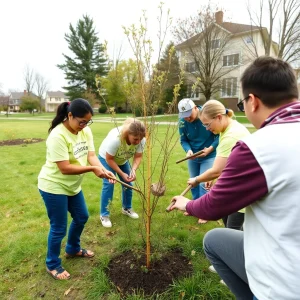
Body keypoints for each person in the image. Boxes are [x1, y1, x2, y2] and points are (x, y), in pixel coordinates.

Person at [170, 56, 300, 299]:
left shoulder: (257, 147)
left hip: (284, 283)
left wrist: (186, 203)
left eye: (241, 103)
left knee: (213, 240)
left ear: (252, 101)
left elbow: (213, 206)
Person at [38, 98, 115, 280]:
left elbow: (91, 155)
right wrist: (92, 169)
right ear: (70, 115)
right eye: (82, 121)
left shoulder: (85, 131)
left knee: (82, 216)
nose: (84, 125)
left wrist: (104, 169)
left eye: (87, 122)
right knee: (58, 227)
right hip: (53, 186)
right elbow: (64, 168)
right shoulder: (58, 136)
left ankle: (72, 249)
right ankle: (52, 264)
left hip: (72, 186)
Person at [187, 99, 250, 230]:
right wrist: (215, 179)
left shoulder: (231, 136)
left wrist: (196, 180)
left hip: (242, 194)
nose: (207, 129)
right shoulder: (226, 130)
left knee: (233, 233)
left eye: (208, 124)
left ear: (219, 117)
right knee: (228, 226)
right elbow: (228, 165)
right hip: (233, 190)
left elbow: (216, 170)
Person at [98, 118, 146, 228]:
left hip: (122, 159)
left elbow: (138, 156)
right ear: (128, 134)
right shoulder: (117, 139)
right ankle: (104, 215)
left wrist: (133, 170)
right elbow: (109, 159)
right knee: (109, 183)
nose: (138, 142)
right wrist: (120, 173)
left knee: (129, 183)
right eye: (135, 139)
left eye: (140, 139)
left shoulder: (141, 139)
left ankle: (126, 208)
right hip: (105, 158)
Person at [178, 98, 219, 224]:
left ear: (196, 108)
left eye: (189, 115)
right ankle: (194, 208)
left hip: (209, 155)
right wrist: (188, 151)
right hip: (193, 157)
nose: (187, 119)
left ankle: (205, 212)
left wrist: (211, 148)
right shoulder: (182, 122)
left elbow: (219, 135)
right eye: (184, 116)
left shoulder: (206, 116)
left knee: (203, 183)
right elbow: (183, 140)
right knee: (193, 183)